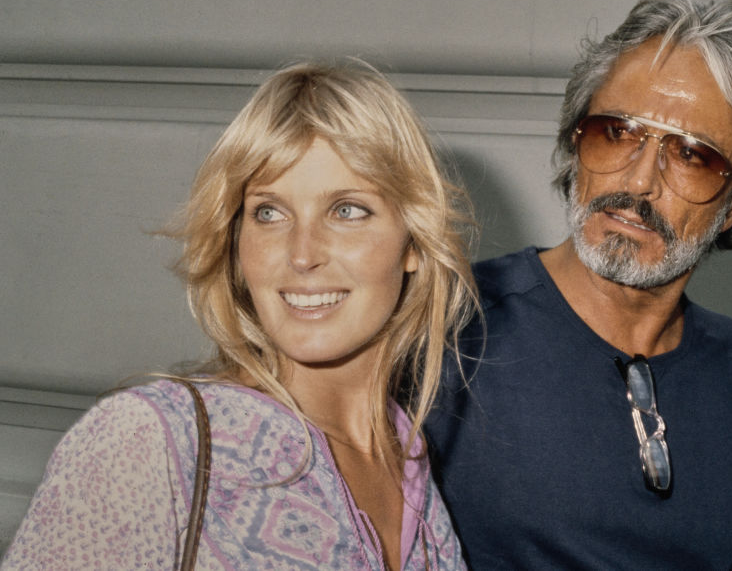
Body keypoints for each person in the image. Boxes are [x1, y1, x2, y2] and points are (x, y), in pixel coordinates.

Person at [3, 62, 477, 570]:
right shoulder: (151, 441)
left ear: (414, 242)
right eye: (268, 213)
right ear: (235, 241)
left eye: (346, 210)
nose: (301, 253)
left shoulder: (408, 454)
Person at [425, 0, 732, 569]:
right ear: (576, 141)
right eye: (616, 133)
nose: (640, 180)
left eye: (693, 155)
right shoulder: (448, 325)